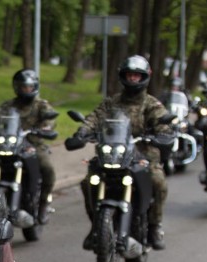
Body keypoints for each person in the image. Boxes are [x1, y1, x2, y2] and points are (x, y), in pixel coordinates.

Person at [65, 55, 173, 250]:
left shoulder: (151, 104)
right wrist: (82, 133)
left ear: (144, 77)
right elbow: (94, 118)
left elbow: (162, 122)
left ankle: (155, 226)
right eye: (130, 75)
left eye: (136, 76)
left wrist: (163, 134)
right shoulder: (111, 103)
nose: (133, 79)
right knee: (88, 182)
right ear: (123, 76)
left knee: (158, 182)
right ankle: (97, 226)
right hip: (112, 153)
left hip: (143, 155)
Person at [0, 69, 58, 224]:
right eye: (23, 87)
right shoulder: (8, 105)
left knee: (48, 168)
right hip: (10, 144)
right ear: (17, 87)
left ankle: (43, 204)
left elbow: (50, 119)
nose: (26, 90)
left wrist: (47, 127)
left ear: (35, 87)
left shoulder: (41, 105)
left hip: (34, 144)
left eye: (29, 87)